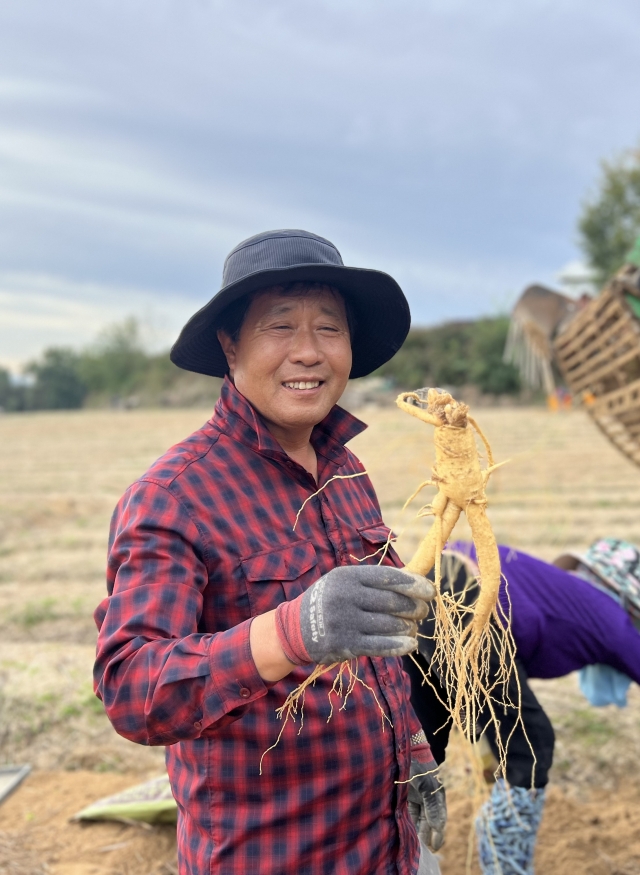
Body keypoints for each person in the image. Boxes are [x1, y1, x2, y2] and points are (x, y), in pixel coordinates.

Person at [93, 230, 447, 875]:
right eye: (279, 327)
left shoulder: (345, 469)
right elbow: (132, 689)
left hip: (386, 845)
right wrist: (293, 630)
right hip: (274, 856)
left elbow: (374, 653)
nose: (308, 352)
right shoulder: (174, 495)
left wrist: (415, 751)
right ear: (231, 345)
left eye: (329, 328)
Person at [404, 538, 640, 875]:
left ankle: (393, 853)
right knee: (529, 746)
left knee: (421, 746)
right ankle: (505, 863)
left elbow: (494, 698)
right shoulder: (614, 622)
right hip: (465, 595)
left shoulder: (565, 590)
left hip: (430, 582)